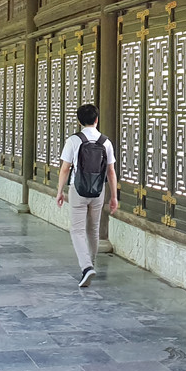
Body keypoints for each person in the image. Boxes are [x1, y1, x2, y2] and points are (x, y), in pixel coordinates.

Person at [55, 103, 118, 287]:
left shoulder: (73, 141)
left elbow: (65, 168)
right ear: (97, 119)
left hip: (78, 189)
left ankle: (86, 267)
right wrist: (114, 197)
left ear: (79, 121)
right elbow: (111, 171)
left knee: (77, 230)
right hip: (98, 190)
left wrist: (60, 191)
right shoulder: (105, 142)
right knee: (93, 229)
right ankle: (91, 262)